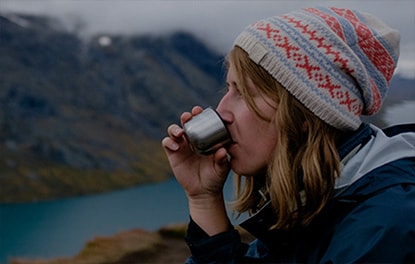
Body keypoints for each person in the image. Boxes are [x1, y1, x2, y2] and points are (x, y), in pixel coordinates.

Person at [162, 6, 415, 263]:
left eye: (245, 93)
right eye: (229, 88)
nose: (221, 111)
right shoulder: (312, 201)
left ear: (306, 113)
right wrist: (204, 199)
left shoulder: (382, 230)